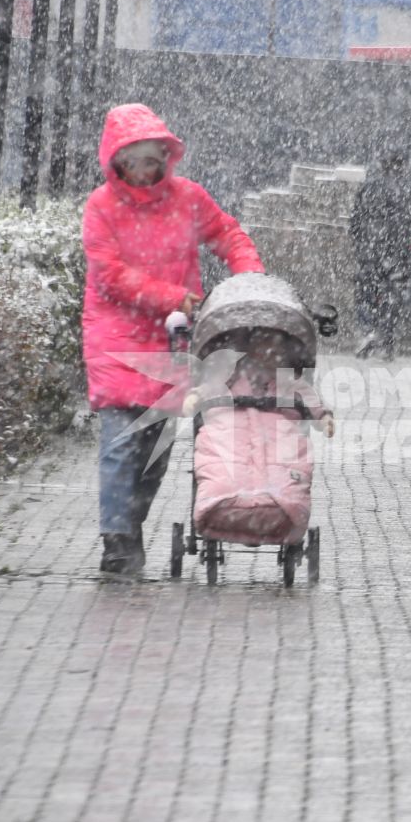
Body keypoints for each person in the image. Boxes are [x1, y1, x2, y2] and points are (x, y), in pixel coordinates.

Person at [83, 104, 264, 577]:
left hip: (174, 340)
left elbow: (226, 234)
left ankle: (129, 526)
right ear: (116, 163)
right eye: (133, 162)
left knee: (156, 446)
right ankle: (118, 542)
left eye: (152, 160)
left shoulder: (188, 198)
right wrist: (174, 298)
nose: (144, 171)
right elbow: (110, 276)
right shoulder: (101, 208)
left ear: (166, 158)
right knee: (122, 442)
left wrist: (251, 281)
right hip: (117, 337)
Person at [349, 149, 411, 359]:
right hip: (398, 251)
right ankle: (386, 339)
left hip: (370, 250)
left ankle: (368, 330)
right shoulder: (410, 186)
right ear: (403, 165)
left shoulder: (369, 186)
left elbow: (355, 221)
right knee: (392, 296)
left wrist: (360, 242)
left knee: (366, 293)